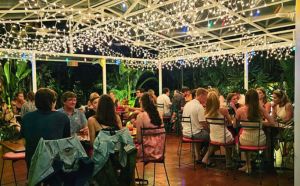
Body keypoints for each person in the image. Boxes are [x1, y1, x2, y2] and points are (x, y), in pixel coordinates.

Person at [21, 88, 70, 170]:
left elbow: (24, 140)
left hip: (33, 162)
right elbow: (66, 141)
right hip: (54, 163)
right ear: (52, 102)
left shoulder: (26, 117)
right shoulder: (62, 117)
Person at [234, 89, 275, 173]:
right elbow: (272, 123)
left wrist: (244, 123)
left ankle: (248, 165)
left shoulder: (240, 110)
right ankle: (250, 165)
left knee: (244, 138)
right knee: (255, 138)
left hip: (244, 140)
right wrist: (260, 122)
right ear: (256, 98)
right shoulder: (261, 110)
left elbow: (234, 125)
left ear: (246, 98)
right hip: (259, 141)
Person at [201, 91, 233, 167]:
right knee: (229, 141)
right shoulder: (223, 110)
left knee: (215, 142)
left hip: (213, 137)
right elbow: (230, 123)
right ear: (217, 100)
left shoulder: (205, 112)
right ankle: (229, 162)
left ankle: (205, 158)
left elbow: (207, 125)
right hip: (224, 137)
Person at [182, 88, 209, 162]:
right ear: (201, 95)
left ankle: (198, 156)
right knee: (213, 137)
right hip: (194, 134)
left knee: (199, 131)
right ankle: (206, 157)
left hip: (185, 132)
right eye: (206, 97)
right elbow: (203, 123)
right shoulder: (199, 107)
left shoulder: (187, 104)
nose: (206, 99)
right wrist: (210, 131)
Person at [135, 93, 164, 161]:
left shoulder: (140, 116)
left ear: (142, 103)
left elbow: (139, 140)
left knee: (128, 150)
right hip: (160, 151)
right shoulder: (159, 115)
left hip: (146, 153)